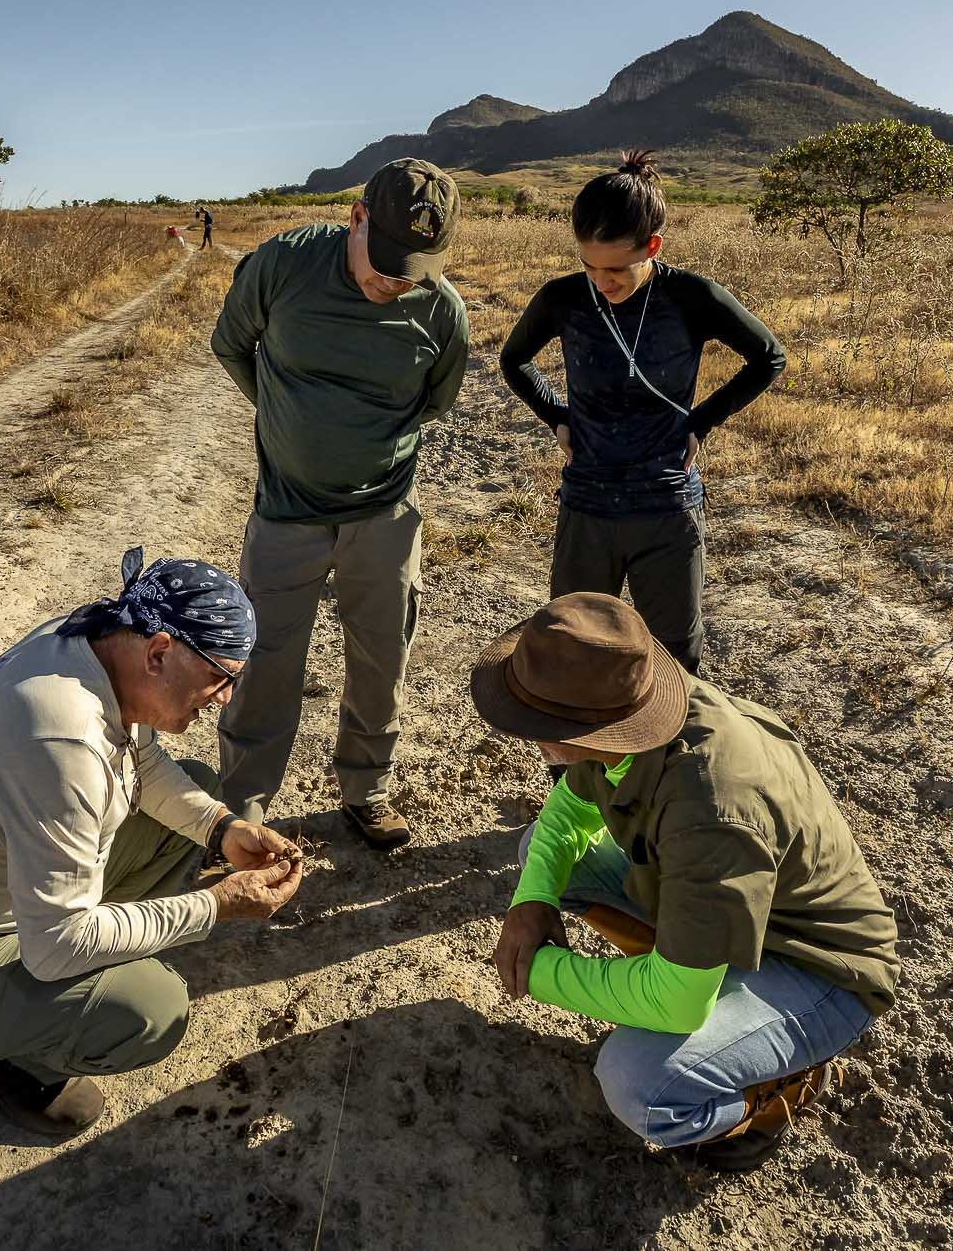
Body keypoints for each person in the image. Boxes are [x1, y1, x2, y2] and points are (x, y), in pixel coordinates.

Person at [0, 549, 304, 1138]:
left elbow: (140, 757)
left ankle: (32, 1003)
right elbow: (56, 945)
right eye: (221, 678)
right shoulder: (60, 743)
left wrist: (221, 828)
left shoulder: (97, 639)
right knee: (149, 1011)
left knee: (202, 800)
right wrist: (219, 904)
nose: (225, 699)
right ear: (160, 652)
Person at [474, 593, 899, 1170]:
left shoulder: (713, 810)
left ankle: (769, 1094)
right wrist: (532, 901)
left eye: (536, 724)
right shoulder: (623, 714)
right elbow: (571, 809)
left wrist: (535, 971)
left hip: (816, 968)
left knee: (638, 1084)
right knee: (541, 858)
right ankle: (693, 972)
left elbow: (673, 1005)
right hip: (721, 911)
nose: (525, 736)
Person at [210, 159, 469, 851]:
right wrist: (284, 414)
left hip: (382, 516)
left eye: (413, 268)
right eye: (385, 261)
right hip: (284, 516)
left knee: (383, 661)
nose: (394, 280)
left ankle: (367, 790)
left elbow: (434, 402)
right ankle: (241, 810)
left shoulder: (442, 311)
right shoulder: (284, 264)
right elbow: (230, 342)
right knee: (262, 664)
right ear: (356, 217)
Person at [499, 150, 785, 676]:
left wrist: (700, 423)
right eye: (588, 265)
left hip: (666, 508)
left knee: (675, 657)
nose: (600, 282)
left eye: (615, 269)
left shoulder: (691, 296)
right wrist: (556, 417)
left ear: (652, 246)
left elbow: (768, 357)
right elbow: (514, 360)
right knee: (575, 644)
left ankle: (663, 756)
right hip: (587, 504)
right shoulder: (562, 298)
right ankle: (580, 760)